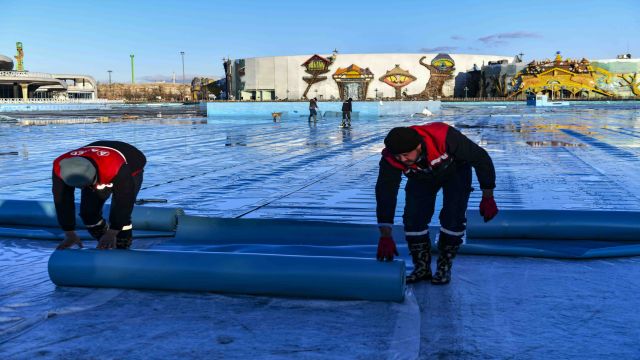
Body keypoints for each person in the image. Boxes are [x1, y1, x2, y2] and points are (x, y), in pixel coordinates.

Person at [375, 122, 498, 285]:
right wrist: (385, 233)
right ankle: (422, 267)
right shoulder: (391, 158)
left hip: (456, 171)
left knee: (453, 217)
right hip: (421, 176)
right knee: (413, 217)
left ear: (418, 145)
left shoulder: (444, 136)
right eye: (398, 156)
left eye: (405, 154)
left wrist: (487, 195)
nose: (402, 160)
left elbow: (481, 159)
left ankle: (444, 266)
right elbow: (386, 192)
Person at [52, 140, 146, 250]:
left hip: (130, 162)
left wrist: (113, 232)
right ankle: (104, 242)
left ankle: (122, 244)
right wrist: (69, 232)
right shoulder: (60, 167)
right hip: (94, 163)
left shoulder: (116, 167)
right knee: (88, 213)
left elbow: (124, 202)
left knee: (120, 214)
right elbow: (62, 200)